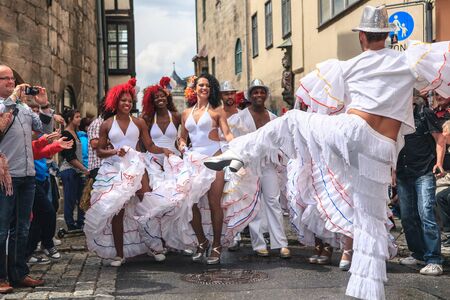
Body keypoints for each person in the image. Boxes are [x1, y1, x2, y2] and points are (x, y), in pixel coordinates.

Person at [204, 5, 450, 300]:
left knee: (294, 120)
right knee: (370, 220)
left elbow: (317, 97)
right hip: (382, 149)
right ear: (387, 35)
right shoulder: (408, 62)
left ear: (361, 37)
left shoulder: (350, 66)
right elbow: (432, 78)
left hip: (354, 134)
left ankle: (240, 152)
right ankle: (370, 290)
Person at [83, 78, 172, 267]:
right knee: (118, 210)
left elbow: (149, 145)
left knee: (147, 204)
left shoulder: (139, 123)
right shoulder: (106, 124)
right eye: (123, 100)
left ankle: (155, 247)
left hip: (138, 166)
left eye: (130, 101)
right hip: (115, 169)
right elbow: (99, 151)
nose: (127, 104)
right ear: (116, 102)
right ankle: (119, 254)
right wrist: (115, 151)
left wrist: (164, 150)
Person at [178, 73, 260, 264]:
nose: (204, 88)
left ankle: (216, 245)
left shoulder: (217, 112)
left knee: (215, 202)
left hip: (215, 159)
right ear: (194, 89)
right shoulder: (185, 114)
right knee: (189, 202)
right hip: (193, 161)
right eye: (200, 85)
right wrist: (181, 145)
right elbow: (183, 137)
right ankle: (201, 240)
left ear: (211, 89)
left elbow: (228, 134)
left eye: (207, 85)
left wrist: (239, 148)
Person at [0, 64, 51, 293]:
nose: (11, 82)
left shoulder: (23, 107)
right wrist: (12, 97)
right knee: (2, 229)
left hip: (27, 174)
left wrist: (44, 106)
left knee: (22, 228)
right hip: (6, 176)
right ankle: (1, 277)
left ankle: (19, 273)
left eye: (12, 78)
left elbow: (42, 128)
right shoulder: (3, 105)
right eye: (5, 79)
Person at [234, 79, 290, 259]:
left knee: (273, 201)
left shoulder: (273, 118)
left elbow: (279, 141)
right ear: (250, 96)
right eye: (255, 92)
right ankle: (259, 244)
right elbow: (233, 142)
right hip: (249, 166)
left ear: (265, 95)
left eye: (261, 92)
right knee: (255, 203)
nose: (259, 95)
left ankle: (281, 243)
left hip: (268, 164)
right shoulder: (239, 118)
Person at [396, 93, 444, 275]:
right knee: (407, 217)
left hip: (424, 171)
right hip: (403, 172)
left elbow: (440, 139)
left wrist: (438, 163)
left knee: (426, 213)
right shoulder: (395, 117)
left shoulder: (424, 113)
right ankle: (418, 254)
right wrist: (393, 171)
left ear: (412, 97)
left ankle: (434, 259)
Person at [60, 108, 88, 231]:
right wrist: (84, 169)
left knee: (81, 198)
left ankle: (80, 222)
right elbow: (70, 157)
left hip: (78, 171)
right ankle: (70, 224)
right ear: (70, 119)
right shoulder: (66, 134)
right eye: (77, 117)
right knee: (70, 199)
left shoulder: (75, 132)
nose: (80, 119)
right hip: (69, 171)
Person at [142, 76, 181, 165]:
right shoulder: (148, 118)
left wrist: (183, 147)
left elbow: (186, 136)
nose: (160, 99)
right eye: (156, 97)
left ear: (167, 99)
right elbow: (144, 143)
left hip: (174, 159)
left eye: (162, 96)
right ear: (152, 101)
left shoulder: (176, 116)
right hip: (154, 161)